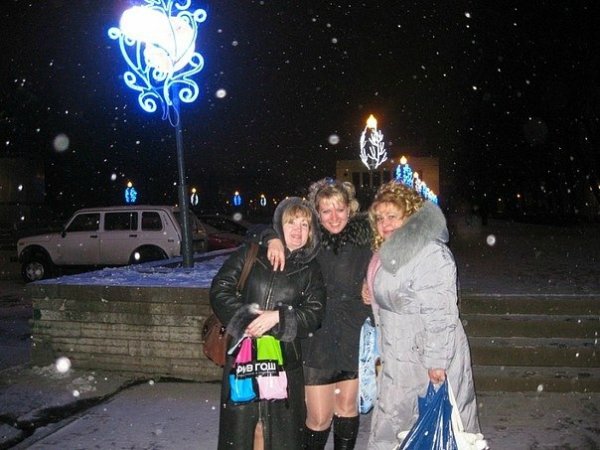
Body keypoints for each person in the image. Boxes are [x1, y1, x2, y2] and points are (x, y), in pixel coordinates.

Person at [364, 181, 481, 449]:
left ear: (410, 215)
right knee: (401, 431)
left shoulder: (429, 252)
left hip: (423, 360)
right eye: (380, 218)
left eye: (392, 216)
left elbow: (440, 312)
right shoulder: (389, 251)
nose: (385, 223)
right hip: (399, 357)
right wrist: (370, 287)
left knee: (426, 432)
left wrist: (437, 362)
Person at [210, 197, 326, 450]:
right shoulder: (253, 252)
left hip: (285, 360)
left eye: (304, 225)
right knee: (245, 430)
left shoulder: (311, 269)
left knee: (276, 432)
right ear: (279, 225)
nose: (297, 230)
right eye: (291, 222)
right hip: (244, 355)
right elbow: (220, 289)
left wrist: (278, 317)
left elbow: (314, 314)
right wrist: (248, 318)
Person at [266, 178, 372, 449]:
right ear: (317, 213)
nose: (334, 217)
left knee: (347, 408)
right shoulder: (308, 242)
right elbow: (270, 226)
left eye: (340, 209)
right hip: (318, 336)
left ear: (350, 209)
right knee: (319, 417)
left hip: (353, 332)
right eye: (326, 211)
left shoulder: (367, 237)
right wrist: (272, 238)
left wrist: (372, 281)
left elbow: (389, 255)